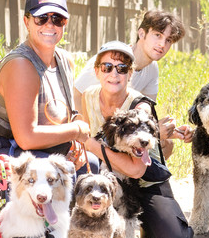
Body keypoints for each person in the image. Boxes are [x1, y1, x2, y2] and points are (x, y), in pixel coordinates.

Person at [0, 0, 98, 173]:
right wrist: (76, 131)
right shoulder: (21, 65)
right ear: (27, 22)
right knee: (60, 172)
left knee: (90, 163)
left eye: (57, 19)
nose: (50, 25)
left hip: (26, 148)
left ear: (65, 23)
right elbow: (26, 137)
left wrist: (75, 145)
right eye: (41, 18)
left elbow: (62, 119)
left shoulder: (65, 60)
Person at [79, 41, 194, 238]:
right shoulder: (89, 96)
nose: (114, 74)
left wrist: (93, 145)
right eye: (107, 67)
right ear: (97, 71)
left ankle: (147, 221)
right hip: (109, 174)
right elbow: (82, 137)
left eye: (122, 69)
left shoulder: (141, 106)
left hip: (145, 179)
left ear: (130, 74)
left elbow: (135, 170)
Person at [73, 10, 188, 141]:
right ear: (141, 33)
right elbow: (76, 94)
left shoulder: (152, 69)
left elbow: (147, 114)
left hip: (121, 128)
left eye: (168, 40)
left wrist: (172, 131)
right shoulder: (110, 62)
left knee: (166, 145)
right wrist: (81, 135)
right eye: (157, 35)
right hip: (93, 130)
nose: (162, 44)